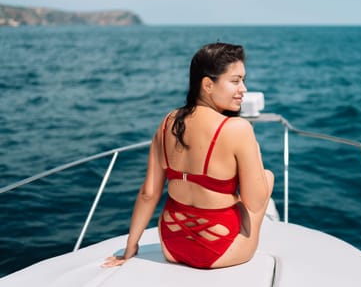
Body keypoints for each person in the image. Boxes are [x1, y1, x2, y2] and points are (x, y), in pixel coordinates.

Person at [103, 42, 274, 269]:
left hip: (172, 246)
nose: (243, 89)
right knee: (267, 176)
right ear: (207, 85)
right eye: (235, 81)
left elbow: (148, 194)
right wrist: (253, 146)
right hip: (219, 250)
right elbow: (255, 203)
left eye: (243, 80)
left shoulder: (167, 123)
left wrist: (130, 248)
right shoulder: (237, 129)